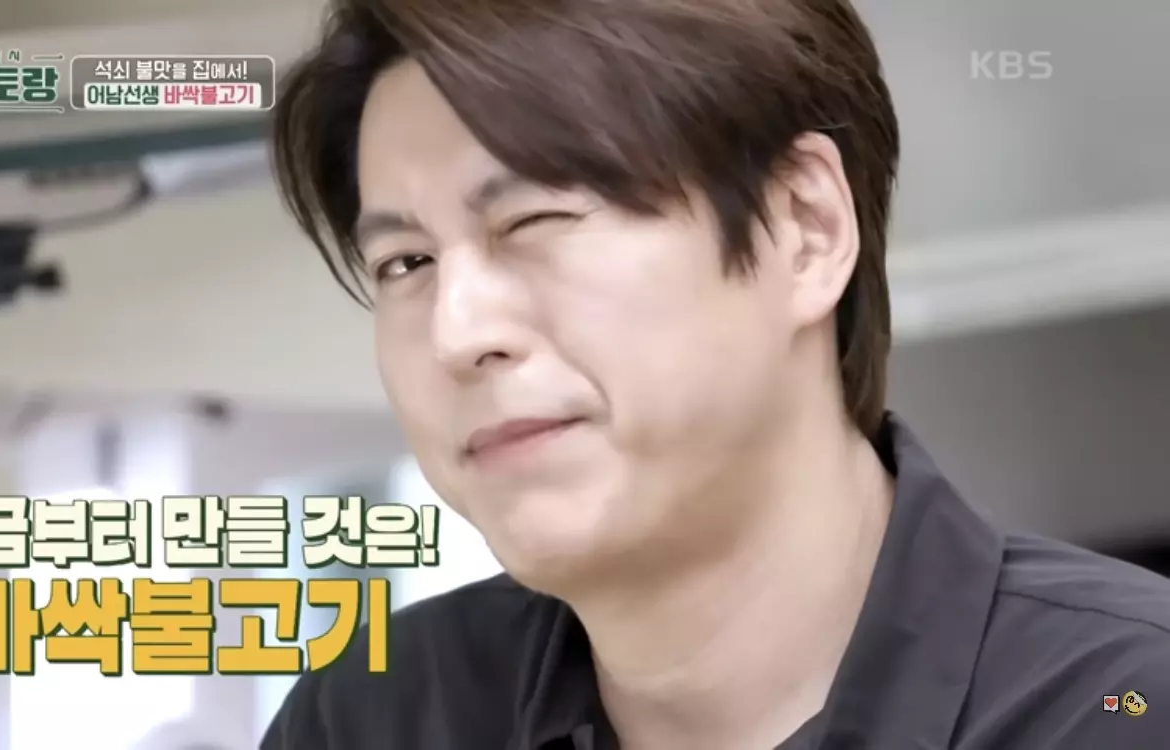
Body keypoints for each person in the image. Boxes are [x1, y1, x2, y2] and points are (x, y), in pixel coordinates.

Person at [262, 1, 1170, 747]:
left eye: (535, 220)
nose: (458, 334)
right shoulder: (369, 721)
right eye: (406, 264)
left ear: (804, 227)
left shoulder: (1124, 705)